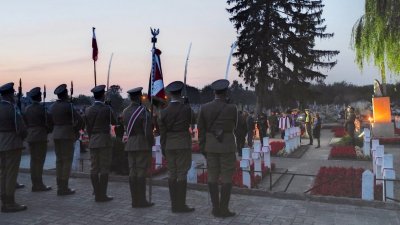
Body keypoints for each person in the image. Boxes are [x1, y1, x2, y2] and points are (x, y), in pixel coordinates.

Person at [197, 79, 237, 218]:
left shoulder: (204, 107)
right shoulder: (232, 108)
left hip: (211, 146)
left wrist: (203, 147)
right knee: (227, 178)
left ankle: (215, 208)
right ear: (226, 92)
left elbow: (201, 130)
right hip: (227, 146)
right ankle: (224, 209)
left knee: (212, 177)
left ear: (214, 92)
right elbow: (234, 126)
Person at [159, 81, 195, 213]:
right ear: (180, 94)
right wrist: (187, 105)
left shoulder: (164, 112)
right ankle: (181, 204)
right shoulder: (186, 109)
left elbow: (162, 132)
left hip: (169, 144)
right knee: (181, 174)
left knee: (172, 173)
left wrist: (163, 147)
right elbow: (193, 120)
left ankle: (174, 205)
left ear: (170, 94)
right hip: (182, 144)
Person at [122, 87, 154, 208]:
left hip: (130, 143)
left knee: (132, 172)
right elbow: (147, 132)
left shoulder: (125, 111)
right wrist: (150, 143)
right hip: (141, 143)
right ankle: (141, 201)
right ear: (139, 97)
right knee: (141, 171)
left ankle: (134, 200)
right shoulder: (143, 111)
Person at [50, 84, 83, 196]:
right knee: (67, 161)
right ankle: (64, 187)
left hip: (56, 134)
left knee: (59, 161)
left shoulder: (53, 106)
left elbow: (50, 120)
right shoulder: (68, 106)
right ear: (65, 94)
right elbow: (79, 119)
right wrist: (76, 130)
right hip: (67, 135)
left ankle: (59, 185)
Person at [85, 85, 116, 202]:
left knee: (94, 168)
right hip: (104, 141)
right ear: (103, 95)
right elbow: (115, 121)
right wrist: (110, 107)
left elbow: (88, 127)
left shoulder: (88, 110)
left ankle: (97, 192)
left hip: (93, 140)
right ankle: (102, 194)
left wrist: (92, 137)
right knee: (104, 169)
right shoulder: (107, 109)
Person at [0, 82, 28, 212]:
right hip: (12, 143)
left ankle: (4, 200)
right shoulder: (12, 107)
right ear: (10, 94)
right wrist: (23, 136)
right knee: (11, 173)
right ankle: (10, 203)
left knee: (2, 172)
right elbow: (20, 127)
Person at [24, 87, 53, 192]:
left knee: (33, 161)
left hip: (30, 136)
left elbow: (25, 121)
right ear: (38, 96)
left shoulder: (27, 109)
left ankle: (34, 183)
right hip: (40, 136)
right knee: (40, 161)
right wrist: (48, 130)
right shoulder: (42, 108)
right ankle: (39, 184)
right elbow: (50, 121)